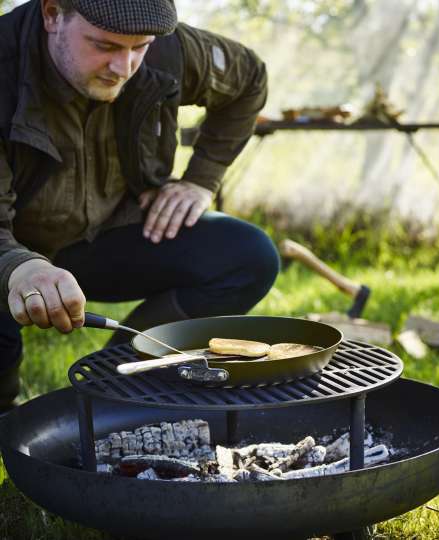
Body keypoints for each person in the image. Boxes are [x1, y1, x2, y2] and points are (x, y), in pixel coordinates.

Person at [0, 0, 280, 411]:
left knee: (248, 257)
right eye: (104, 46)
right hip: (11, 253)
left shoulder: (169, 48)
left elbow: (249, 79)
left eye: (139, 47)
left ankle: (113, 380)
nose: (124, 67)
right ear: (52, 14)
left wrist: (202, 179)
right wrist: (19, 266)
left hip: (108, 233)